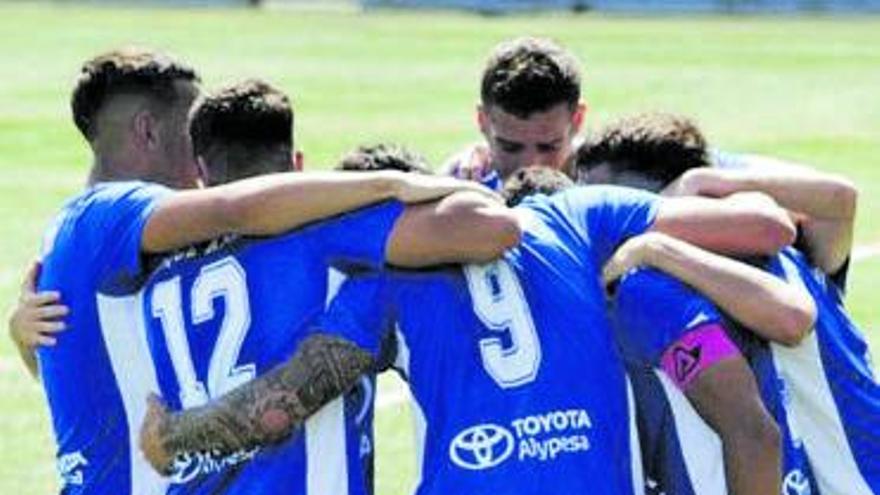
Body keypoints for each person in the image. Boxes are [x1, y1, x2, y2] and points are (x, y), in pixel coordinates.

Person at [19, 48, 504, 494]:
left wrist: (21, 336)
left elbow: (79, 369)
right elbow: (233, 208)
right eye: (189, 136)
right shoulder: (112, 215)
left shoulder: (84, 242)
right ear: (148, 131)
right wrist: (387, 185)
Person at [139, 171, 799, 494]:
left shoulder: (385, 282)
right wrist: (660, 245)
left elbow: (277, 406)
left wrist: (174, 436)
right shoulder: (581, 220)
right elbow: (765, 230)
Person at [578, 111, 876, 495]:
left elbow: (792, 319)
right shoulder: (795, 252)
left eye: (619, 202)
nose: (603, 218)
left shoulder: (666, 283)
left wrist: (661, 241)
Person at [442, 37, 586, 187]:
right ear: (482, 120)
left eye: (548, 147)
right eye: (509, 147)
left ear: (578, 119)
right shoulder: (459, 185)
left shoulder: (606, 181)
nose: (529, 166)